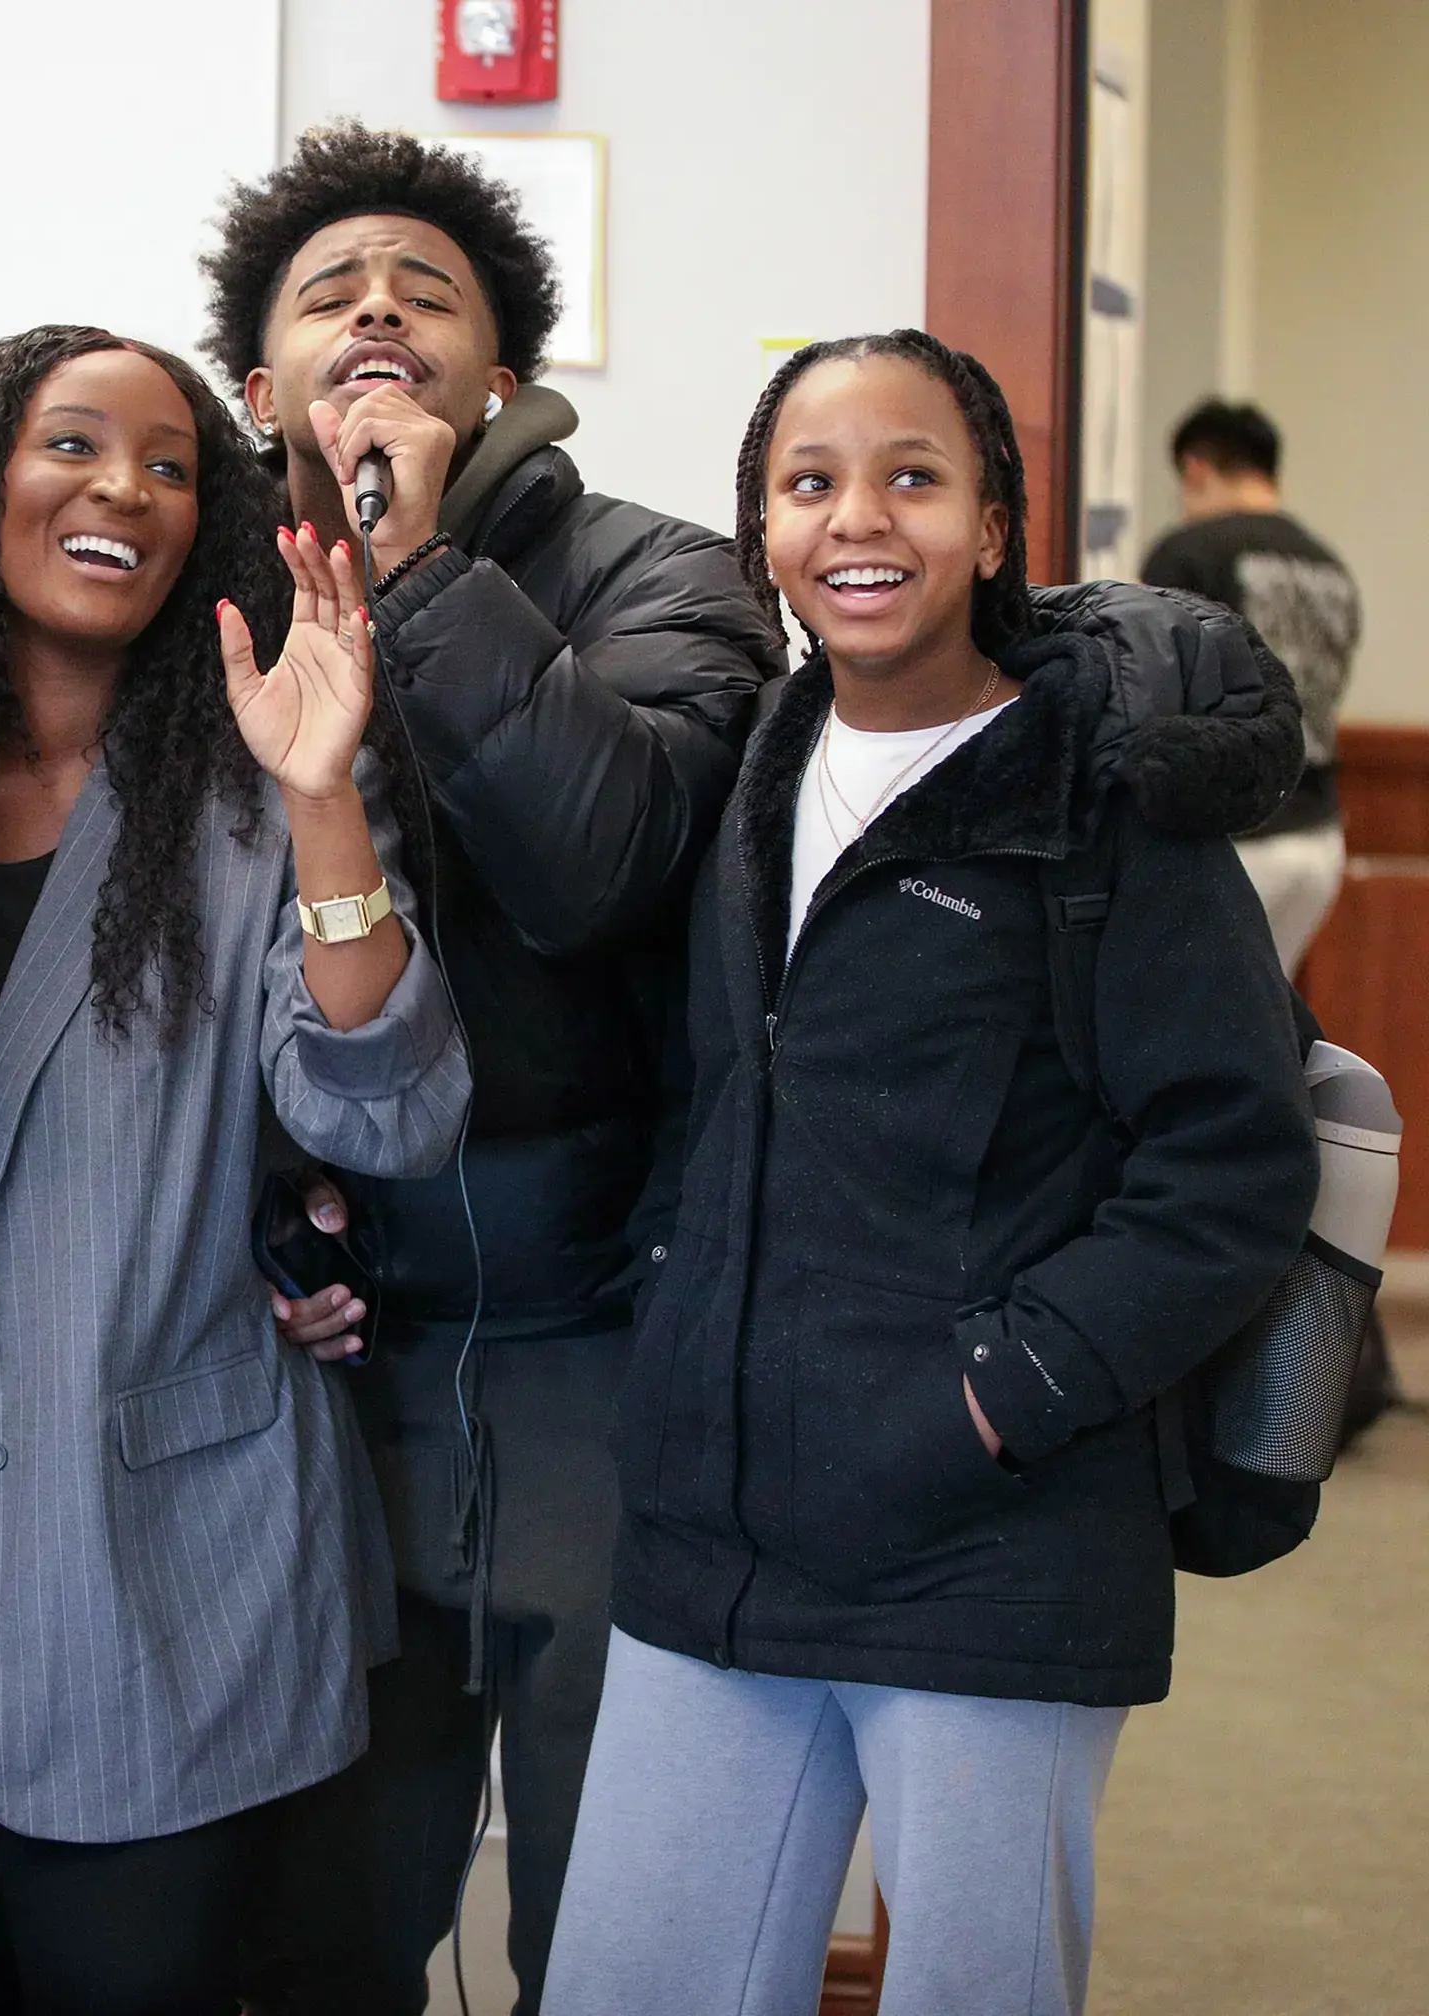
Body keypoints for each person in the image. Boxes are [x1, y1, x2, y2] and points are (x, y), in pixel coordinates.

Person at [542, 331, 1318, 2016]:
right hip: (716, 1521)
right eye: (810, 483)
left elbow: (1230, 1168)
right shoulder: (749, 761)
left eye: (913, 476)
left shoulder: (1102, 795)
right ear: (761, 535)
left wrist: (998, 1395)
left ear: (992, 523)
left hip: (993, 1534)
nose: (858, 519)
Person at [0, 325, 472, 2016]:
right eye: (71, 445)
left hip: (154, 1551)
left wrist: (327, 795)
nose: (121, 487)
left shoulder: (254, 778)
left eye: (168, 464)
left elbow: (387, 1115)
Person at [200, 122, 782, 2014]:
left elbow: (608, 864)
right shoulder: (198, 613)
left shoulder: (670, 578)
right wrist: (254, 1217)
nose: (377, 310)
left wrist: (425, 566)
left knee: (611, 1942)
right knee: (323, 1929)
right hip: (326, 1385)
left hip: (608, 1350)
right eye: (330, 295)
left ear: (503, 380)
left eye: (425, 293)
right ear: (257, 382)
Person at [1142, 397, 1362, 970]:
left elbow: (1151, 696)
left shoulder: (1187, 554)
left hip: (1235, 838)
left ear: (1194, 469)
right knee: (1261, 1017)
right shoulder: (1329, 566)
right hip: (1318, 838)